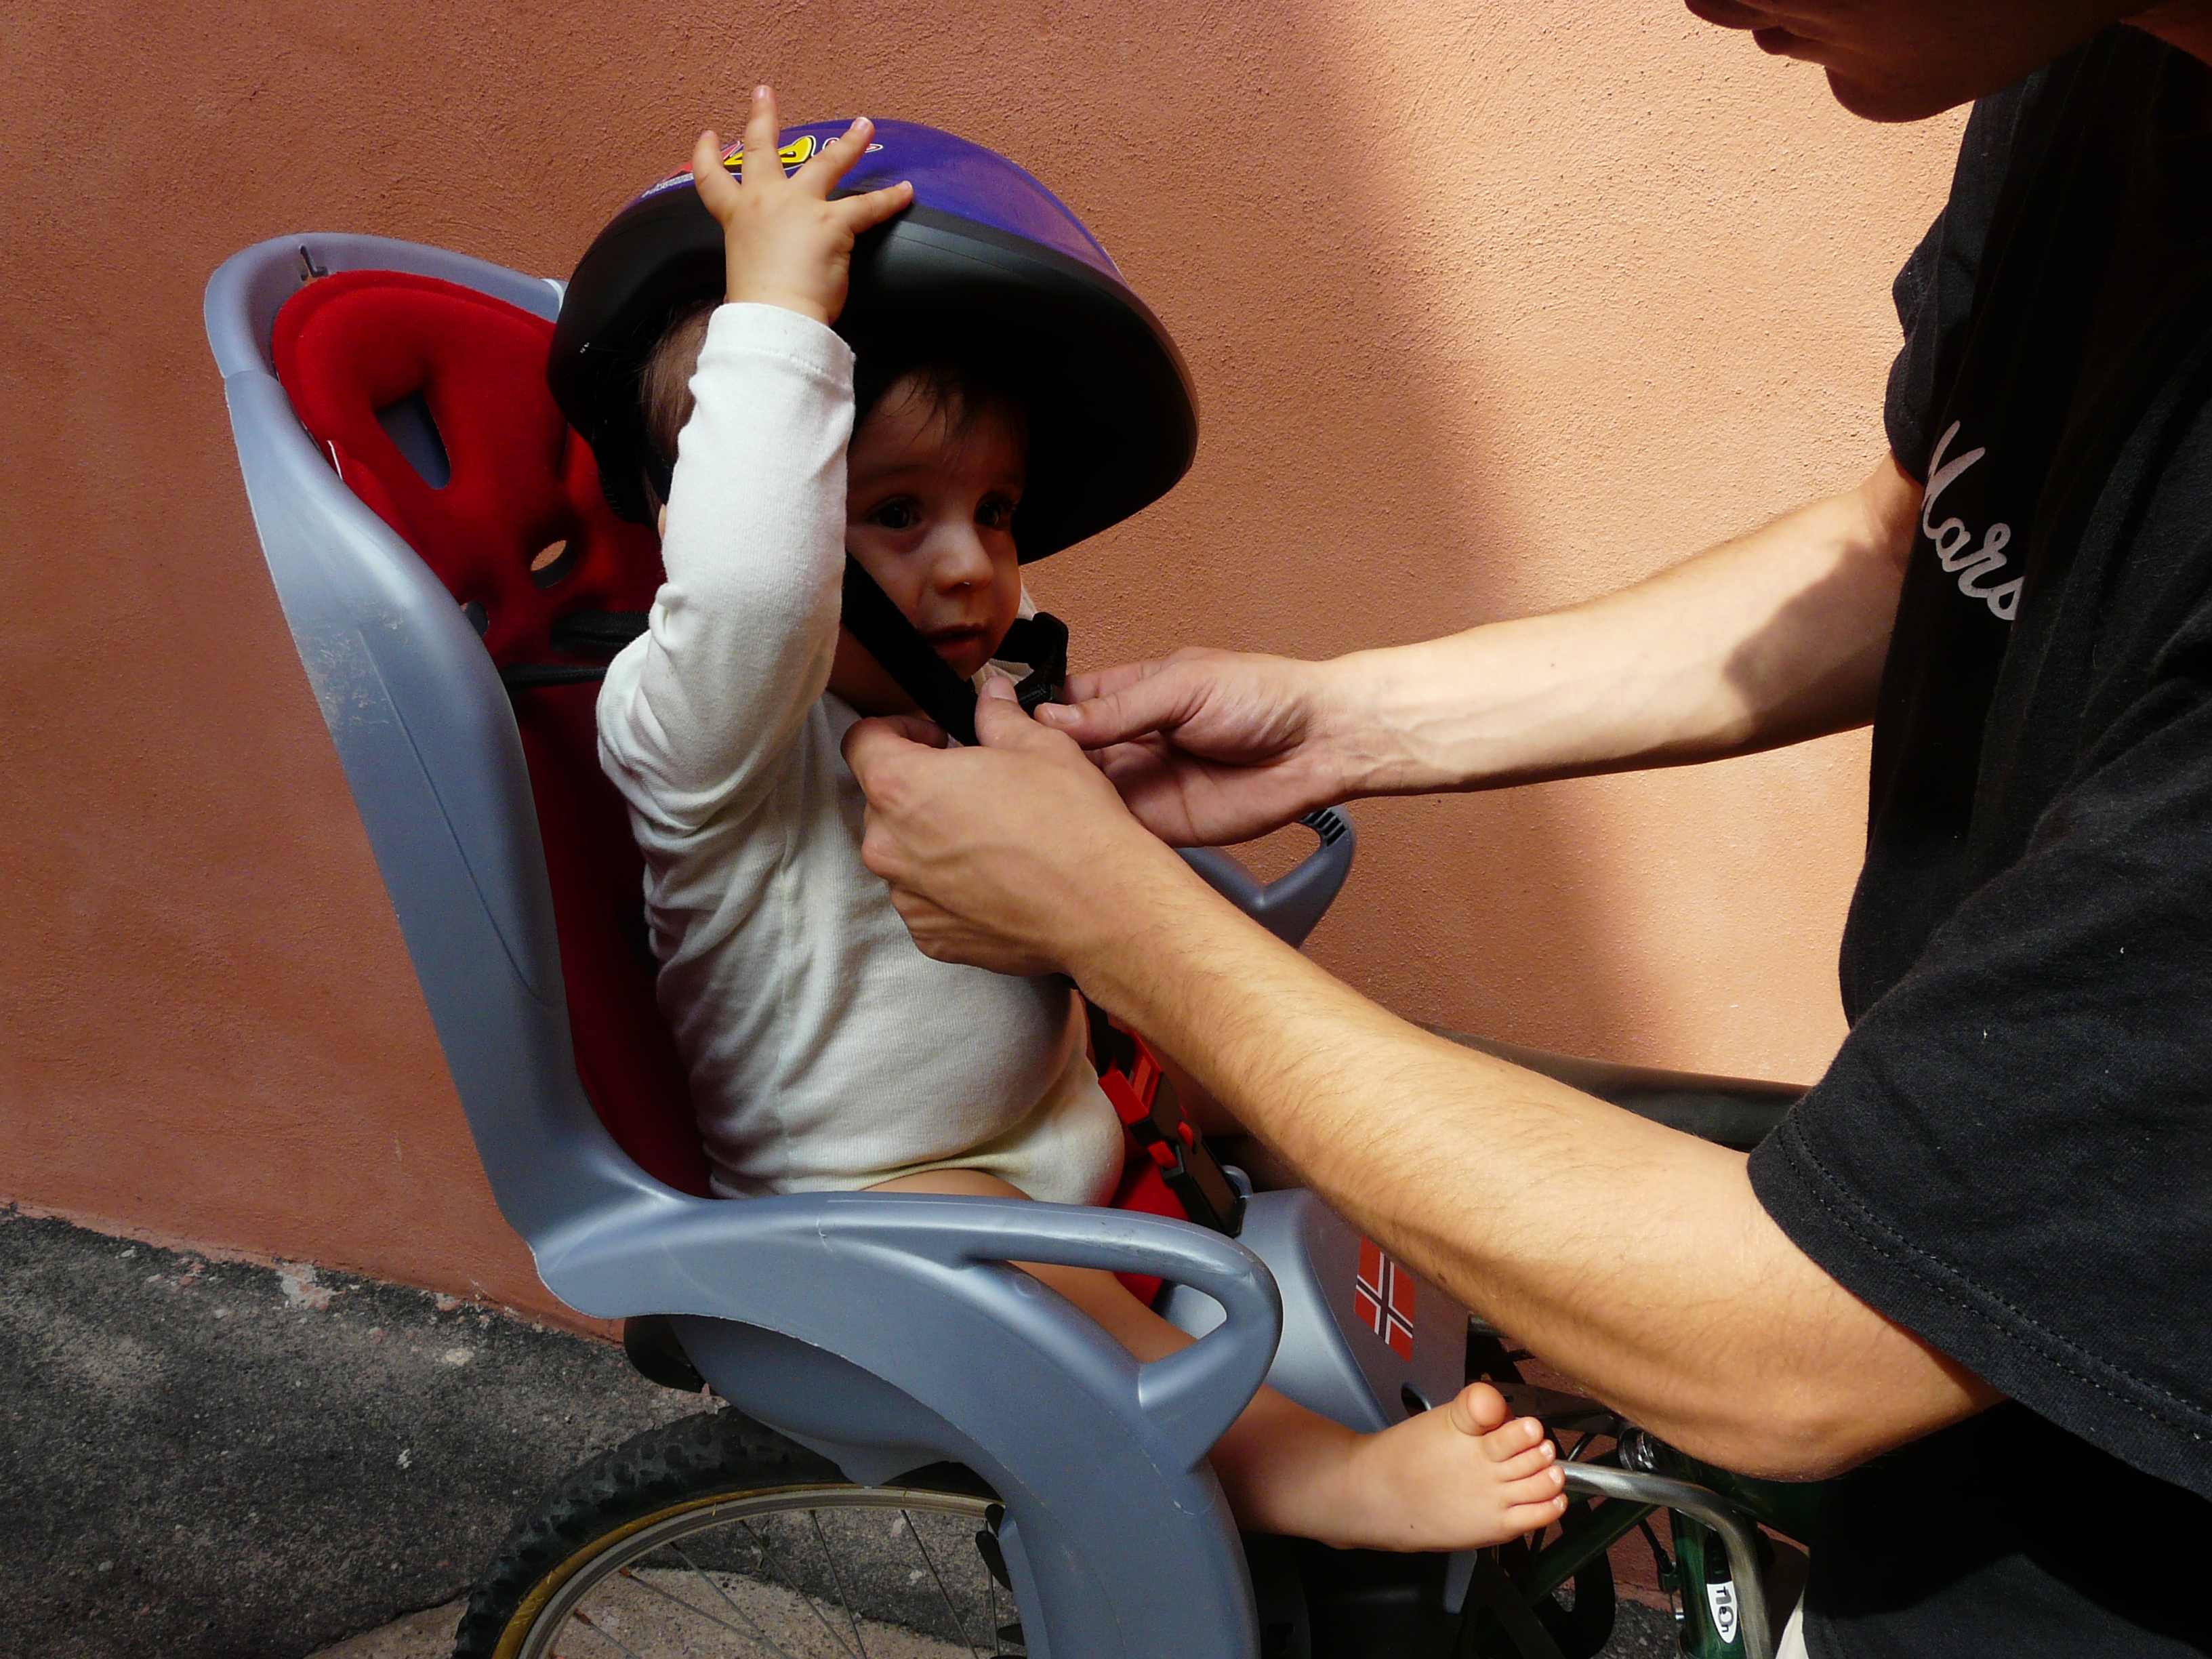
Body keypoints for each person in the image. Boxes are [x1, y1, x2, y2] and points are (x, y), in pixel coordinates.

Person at [840, 6, 2212, 1655]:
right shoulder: (2083, 65)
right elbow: (1917, 541)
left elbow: (1801, 1344)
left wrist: (1118, 918)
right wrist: (1345, 721)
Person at [594, 89, 1573, 1554]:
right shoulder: (707, 736)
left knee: (1283, 1057)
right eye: (897, 512)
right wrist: (777, 316)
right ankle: (1307, 1474)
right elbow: (752, 593)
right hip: (883, 1201)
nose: (970, 567)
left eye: (995, 512)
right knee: (1058, 1313)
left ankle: (1520, 1249)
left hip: (1060, 1115)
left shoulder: (949, 684)